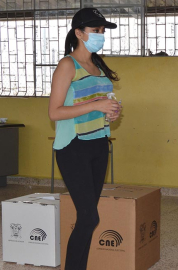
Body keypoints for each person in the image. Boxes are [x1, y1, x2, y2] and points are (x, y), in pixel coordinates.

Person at [48, 8, 121, 270]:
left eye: (102, 31)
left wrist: (110, 111)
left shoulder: (98, 64)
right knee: (89, 218)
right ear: (78, 33)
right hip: (73, 148)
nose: (100, 35)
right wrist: (96, 106)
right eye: (95, 31)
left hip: (99, 144)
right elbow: (54, 112)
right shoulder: (67, 65)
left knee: (86, 218)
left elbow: (99, 102)